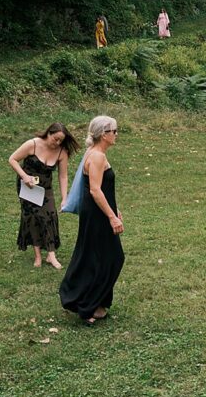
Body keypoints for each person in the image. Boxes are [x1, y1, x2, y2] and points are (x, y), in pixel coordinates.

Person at [59, 116, 125, 324]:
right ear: (103, 134)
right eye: (114, 131)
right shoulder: (96, 156)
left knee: (97, 255)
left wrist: (116, 209)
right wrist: (112, 217)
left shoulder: (97, 154)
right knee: (112, 257)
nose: (116, 134)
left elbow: (104, 189)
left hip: (99, 211)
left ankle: (94, 304)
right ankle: (85, 303)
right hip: (97, 214)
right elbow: (95, 191)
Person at [9, 123, 79, 269]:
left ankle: (51, 255)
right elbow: (13, 159)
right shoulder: (32, 144)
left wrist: (64, 198)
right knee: (32, 217)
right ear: (48, 133)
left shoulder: (61, 152)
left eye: (61, 140)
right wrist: (24, 176)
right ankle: (38, 256)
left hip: (45, 188)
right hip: (28, 186)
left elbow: (63, 176)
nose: (57, 143)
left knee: (49, 215)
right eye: (55, 139)